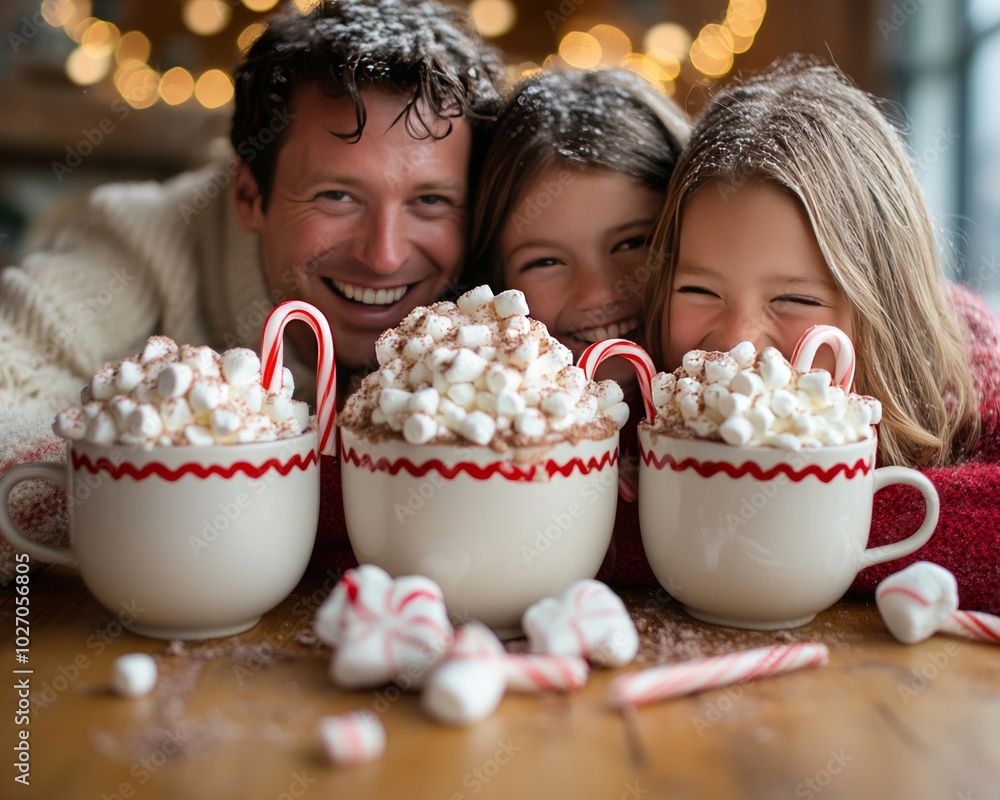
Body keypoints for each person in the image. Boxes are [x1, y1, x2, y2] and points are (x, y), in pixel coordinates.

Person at [0, 0, 506, 583]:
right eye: (337, 196)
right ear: (249, 196)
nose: (385, 254)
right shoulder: (137, 240)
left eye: (431, 201)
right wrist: (196, 468)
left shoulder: (506, 258)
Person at [644, 56, 1000, 612]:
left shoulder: (974, 382)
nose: (740, 342)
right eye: (700, 291)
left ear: (888, 309)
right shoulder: (633, 406)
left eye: (795, 300)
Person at [468, 67, 690, 585]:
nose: (597, 293)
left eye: (633, 243)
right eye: (545, 261)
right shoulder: (471, 434)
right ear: (493, 282)